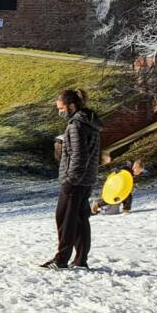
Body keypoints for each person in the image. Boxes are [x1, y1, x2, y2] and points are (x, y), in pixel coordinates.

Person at [42, 89, 102, 269]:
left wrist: (70, 179)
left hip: (76, 180)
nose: (60, 112)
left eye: (61, 108)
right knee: (80, 218)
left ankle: (61, 259)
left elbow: (79, 155)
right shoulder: (90, 121)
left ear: (71, 106)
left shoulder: (76, 125)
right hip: (87, 178)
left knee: (65, 218)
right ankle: (80, 260)